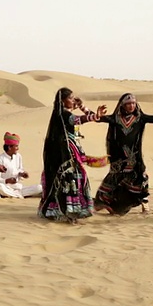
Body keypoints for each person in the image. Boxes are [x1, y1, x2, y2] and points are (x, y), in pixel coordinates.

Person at [94, 93, 153, 215]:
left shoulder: (140, 118)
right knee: (114, 179)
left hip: (134, 158)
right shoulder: (116, 118)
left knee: (140, 178)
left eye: (133, 103)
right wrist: (84, 107)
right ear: (123, 105)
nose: (131, 106)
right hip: (119, 158)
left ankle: (144, 200)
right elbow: (98, 118)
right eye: (128, 104)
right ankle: (111, 205)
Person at [38, 87, 107, 224]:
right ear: (63, 101)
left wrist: (82, 106)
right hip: (66, 155)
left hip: (72, 152)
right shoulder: (63, 115)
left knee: (76, 179)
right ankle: (68, 213)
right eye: (70, 98)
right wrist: (94, 116)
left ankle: (70, 211)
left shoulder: (64, 113)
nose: (73, 100)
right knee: (69, 181)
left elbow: (90, 116)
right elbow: (78, 120)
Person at [0, 132, 43, 199]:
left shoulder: (18, 156)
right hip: (6, 186)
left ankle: (15, 194)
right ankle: (17, 195)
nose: (17, 148)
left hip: (18, 187)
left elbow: (20, 169)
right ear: (9, 147)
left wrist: (22, 174)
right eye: (16, 146)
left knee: (39, 187)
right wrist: (7, 180)